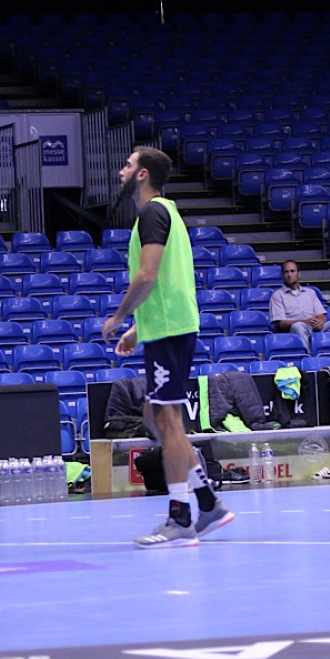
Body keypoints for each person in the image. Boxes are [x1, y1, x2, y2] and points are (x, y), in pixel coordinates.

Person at [101, 148, 233, 548]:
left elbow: (148, 275)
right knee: (156, 418)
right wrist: (140, 329)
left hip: (172, 331)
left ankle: (181, 517)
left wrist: (120, 316)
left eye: (126, 165)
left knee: (169, 422)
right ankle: (208, 502)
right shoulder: (164, 212)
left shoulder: (152, 213)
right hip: (163, 328)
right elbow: (166, 285)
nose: (120, 171)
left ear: (142, 175)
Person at [268, 259, 330, 355]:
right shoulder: (277, 295)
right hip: (296, 329)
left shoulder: (310, 292)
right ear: (283, 275)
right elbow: (281, 324)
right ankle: (309, 358)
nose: (289, 275)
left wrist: (320, 322)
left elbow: (321, 315)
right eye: (286, 272)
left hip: (316, 326)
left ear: (298, 274)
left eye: (292, 271)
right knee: (298, 326)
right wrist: (303, 321)